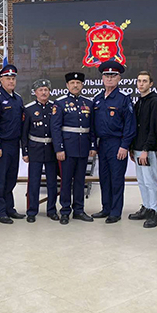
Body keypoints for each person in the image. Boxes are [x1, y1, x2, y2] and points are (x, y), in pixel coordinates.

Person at [91, 60, 136, 224]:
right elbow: (92, 125)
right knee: (104, 177)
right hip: (102, 144)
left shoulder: (123, 99)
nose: (109, 78)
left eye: (113, 75)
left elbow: (130, 125)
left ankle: (115, 212)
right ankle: (106, 208)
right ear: (102, 78)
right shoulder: (97, 99)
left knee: (116, 179)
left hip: (117, 144)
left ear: (119, 78)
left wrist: (124, 146)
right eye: (106, 75)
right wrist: (94, 145)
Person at [51, 71, 96, 225]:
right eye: (72, 83)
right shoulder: (60, 103)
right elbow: (55, 128)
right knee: (65, 181)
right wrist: (59, 149)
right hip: (67, 149)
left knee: (80, 181)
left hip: (83, 148)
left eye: (78, 83)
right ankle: (65, 211)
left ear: (82, 85)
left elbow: (92, 127)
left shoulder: (88, 103)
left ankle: (79, 210)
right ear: (67, 85)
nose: (75, 85)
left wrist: (92, 145)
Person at [0, 64, 26, 224]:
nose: (11, 81)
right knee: (0, 181)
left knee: (11, 179)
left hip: (14, 144)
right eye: (8, 78)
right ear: (1, 80)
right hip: (1, 145)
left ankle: (10, 208)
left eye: (13, 78)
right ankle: (0, 211)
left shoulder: (18, 99)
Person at [128, 70, 157, 228]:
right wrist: (132, 148)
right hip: (137, 148)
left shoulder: (155, 102)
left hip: (147, 149)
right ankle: (146, 207)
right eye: (139, 81)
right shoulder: (139, 102)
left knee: (151, 181)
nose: (141, 84)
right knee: (142, 181)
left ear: (151, 83)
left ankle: (154, 212)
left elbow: (154, 128)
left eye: (144, 81)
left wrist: (146, 149)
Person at [21, 79, 59, 223]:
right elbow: (24, 133)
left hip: (51, 149)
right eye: (41, 90)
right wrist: (25, 152)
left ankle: (51, 210)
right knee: (34, 182)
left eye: (46, 90)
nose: (43, 92)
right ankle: (32, 211)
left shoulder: (55, 107)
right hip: (35, 150)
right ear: (35, 92)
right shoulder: (29, 109)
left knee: (52, 182)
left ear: (50, 91)